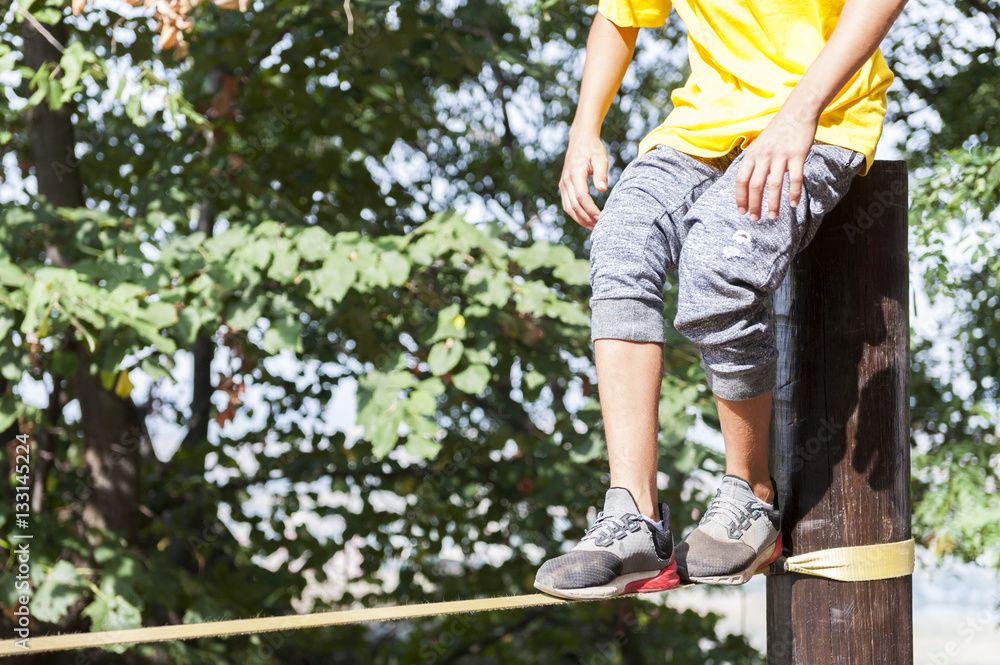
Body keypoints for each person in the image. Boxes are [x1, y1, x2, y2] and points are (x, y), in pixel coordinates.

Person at [533, 0, 908, 599]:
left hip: (821, 119)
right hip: (700, 130)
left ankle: (750, 497)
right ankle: (634, 519)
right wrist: (584, 130)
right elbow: (619, 15)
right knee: (622, 242)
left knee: (716, 273)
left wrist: (798, 112)